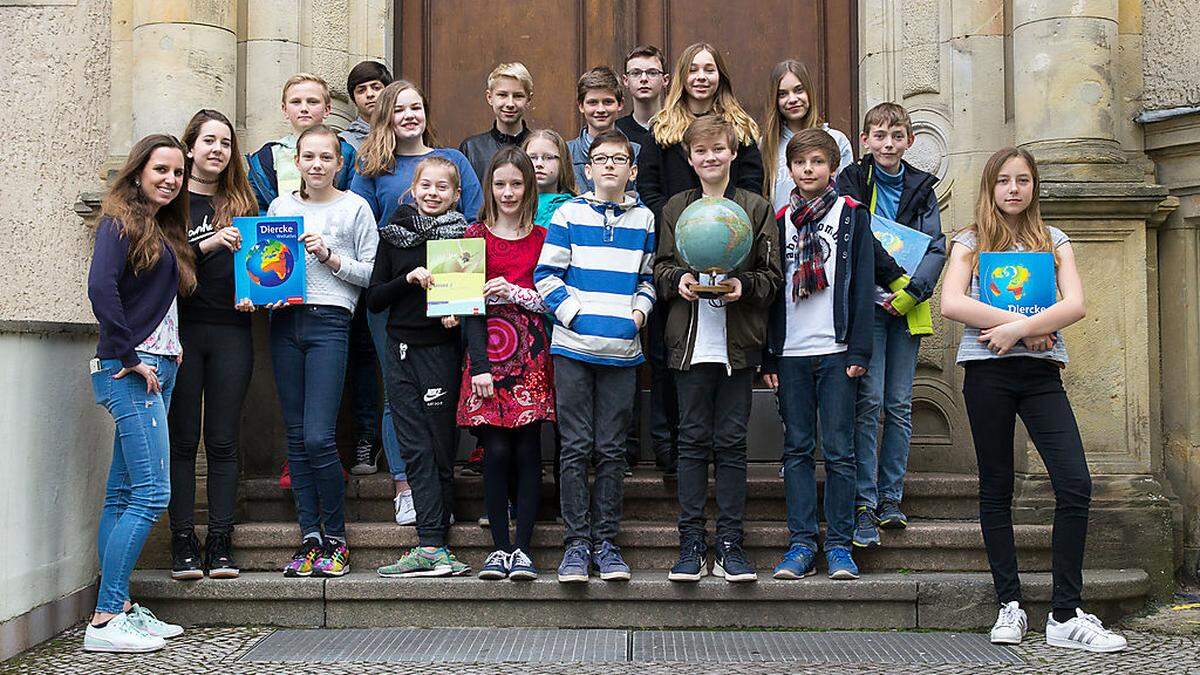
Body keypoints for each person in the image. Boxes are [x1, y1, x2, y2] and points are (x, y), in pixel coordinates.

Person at [941, 147, 1126, 652]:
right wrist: (1023, 330)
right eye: (1004, 180)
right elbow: (951, 301)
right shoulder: (970, 240)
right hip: (987, 375)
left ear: (1034, 186)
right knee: (996, 485)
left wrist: (1019, 330)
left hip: (1042, 376)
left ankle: (1065, 615)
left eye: (1023, 180)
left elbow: (1076, 304)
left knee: (1074, 483)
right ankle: (1010, 604)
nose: (1014, 189)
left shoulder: (1054, 240)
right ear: (990, 186)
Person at [654, 117, 781, 583]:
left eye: (719, 150)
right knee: (691, 443)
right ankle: (691, 541)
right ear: (689, 159)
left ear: (732, 153)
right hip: (689, 345)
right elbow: (661, 267)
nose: (710, 158)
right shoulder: (675, 208)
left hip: (738, 345)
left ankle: (730, 543)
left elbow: (772, 278)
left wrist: (741, 285)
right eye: (701, 152)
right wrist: (679, 281)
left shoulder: (755, 208)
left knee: (730, 444)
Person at [352, 79, 484, 523]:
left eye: (416, 107)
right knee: (399, 394)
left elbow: (472, 218)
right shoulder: (373, 166)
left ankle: (443, 484)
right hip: (395, 290)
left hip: (450, 289)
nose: (409, 115)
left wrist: (454, 291)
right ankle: (406, 486)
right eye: (400, 108)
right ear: (386, 114)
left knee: (445, 390)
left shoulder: (452, 162)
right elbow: (365, 227)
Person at [85, 134, 195, 652]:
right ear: (138, 171)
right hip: (134, 370)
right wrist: (129, 357)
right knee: (153, 494)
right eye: (161, 170)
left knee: (123, 492)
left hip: (158, 367)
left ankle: (120, 604)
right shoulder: (118, 220)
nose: (170, 180)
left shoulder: (159, 227)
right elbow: (101, 288)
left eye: (177, 172)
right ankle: (107, 617)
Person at [535, 129, 656, 583]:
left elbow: (646, 278)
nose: (609, 165)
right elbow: (546, 275)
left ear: (632, 169)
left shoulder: (643, 219)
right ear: (587, 169)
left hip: (622, 351)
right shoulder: (568, 213)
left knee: (610, 450)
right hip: (574, 349)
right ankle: (575, 545)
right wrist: (575, 317)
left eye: (618, 159)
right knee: (575, 447)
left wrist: (638, 316)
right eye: (601, 158)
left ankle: (606, 543)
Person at [263, 125, 378, 579]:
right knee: (296, 439)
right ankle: (309, 537)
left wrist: (330, 257)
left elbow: (370, 273)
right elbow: (266, 263)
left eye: (325, 157)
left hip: (331, 320)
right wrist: (263, 288)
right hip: (284, 321)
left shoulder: (355, 207)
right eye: (307, 157)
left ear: (339, 163)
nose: (315, 165)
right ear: (297, 161)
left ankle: (336, 537)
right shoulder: (280, 207)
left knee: (317, 437)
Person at [764, 129, 874, 583]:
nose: (808, 170)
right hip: (791, 352)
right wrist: (769, 357)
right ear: (789, 170)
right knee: (797, 449)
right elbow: (771, 290)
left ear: (833, 168)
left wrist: (860, 348)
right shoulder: (779, 219)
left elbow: (864, 283)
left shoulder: (851, 215)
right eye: (800, 163)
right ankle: (802, 543)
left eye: (817, 162)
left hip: (836, 349)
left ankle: (840, 546)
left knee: (840, 451)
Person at [835, 102, 946, 548]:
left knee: (899, 404)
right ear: (864, 141)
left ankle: (891, 498)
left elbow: (937, 246)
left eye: (896, 135)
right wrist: (886, 282)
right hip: (867, 307)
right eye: (879, 135)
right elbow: (850, 235)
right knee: (869, 402)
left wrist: (913, 291)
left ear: (909, 141)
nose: (887, 143)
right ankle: (863, 500)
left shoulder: (922, 188)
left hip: (906, 308)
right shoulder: (852, 182)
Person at [368, 156, 472, 578]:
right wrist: (406, 279)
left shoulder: (462, 239)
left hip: (441, 353)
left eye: (442, 187)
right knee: (413, 444)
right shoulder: (393, 237)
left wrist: (457, 315)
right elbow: (374, 299)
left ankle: (435, 542)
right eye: (425, 185)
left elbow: (468, 302)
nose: (432, 194)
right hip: (400, 350)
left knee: (439, 444)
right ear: (412, 188)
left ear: (456, 194)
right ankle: (432, 542)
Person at [167, 110, 258, 582]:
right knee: (182, 442)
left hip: (231, 330)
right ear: (189, 148)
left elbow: (265, 263)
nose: (217, 150)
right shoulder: (170, 202)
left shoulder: (242, 201)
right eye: (208, 141)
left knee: (223, 441)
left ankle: (220, 541)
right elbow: (162, 263)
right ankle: (182, 540)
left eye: (225, 143)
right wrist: (209, 245)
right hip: (180, 331)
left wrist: (258, 293)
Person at [459, 148, 555, 581]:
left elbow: (552, 301)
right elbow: (463, 305)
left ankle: (524, 550)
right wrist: (478, 364)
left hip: (532, 355)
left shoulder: (545, 237)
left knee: (528, 449)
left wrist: (512, 291)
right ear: (489, 188)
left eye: (516, 183)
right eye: (500, 184)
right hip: (487, 356)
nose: (509, 191)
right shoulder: (471, 234)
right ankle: (499, 548)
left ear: (529, 186)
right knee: (495, 450)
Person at [637, 42, 764, 223]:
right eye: (693, 70)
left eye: (709, 70)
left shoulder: (740, 127)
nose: (701, 77)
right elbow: (648, 188)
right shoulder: (660, 129)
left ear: (720, 76)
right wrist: (675, 222)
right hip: (676, 233)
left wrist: (727, 221)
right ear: (682, 76)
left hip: (731, 232)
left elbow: (751, 184)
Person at [341, 60, 394, 478]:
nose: (371, 95)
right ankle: (364, 436)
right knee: (361, 352)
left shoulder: (408, 136)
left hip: (397, 268)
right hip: (352, 261)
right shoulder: (344, 145)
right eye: (362, 90)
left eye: (378, 87)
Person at [247, 73, 357, 215]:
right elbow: (257, 208)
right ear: (284, 109)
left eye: (312, 102)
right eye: (296, 102)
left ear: (327, 109)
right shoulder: (265, 157)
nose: (304, 108)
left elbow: (354, 200)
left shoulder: (346, 152)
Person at [761, 59, 855, 212]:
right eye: (783, 94)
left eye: (799, 90)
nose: (792, 99)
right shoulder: (766, 145)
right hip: (783, 231)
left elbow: (847, 197)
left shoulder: (837, 140)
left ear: (809, 92)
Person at [567, 66, 641, 193]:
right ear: (581, 106)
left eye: (608, 102)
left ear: (620, 104)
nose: (600, 109)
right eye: (593, 102)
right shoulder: (567, 153)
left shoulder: (636, 152)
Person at [458, 63, 535, 184]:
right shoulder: (472, 148)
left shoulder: (538, 147)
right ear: (489, 97)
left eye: (518, 96)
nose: (510, 103)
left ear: (528, 100)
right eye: (502, 95)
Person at [617, 44, 669, 150]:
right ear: (626, 81)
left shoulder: (678, 127)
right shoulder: (617, 131)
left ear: (665, 80)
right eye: (636, 73)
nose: (644, 79)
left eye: (652, 73)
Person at [523, 129, 577, 228]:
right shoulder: (513, 204)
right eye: (532, 157)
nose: (539, 164)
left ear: (563, 163)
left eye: (548, 157)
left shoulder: (574, 209)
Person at [340, 60, 393, 151]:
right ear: (354, 100)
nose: (369, 94)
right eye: (361, 90)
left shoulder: (403, 133)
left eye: (376, 88)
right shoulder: (345, 142)